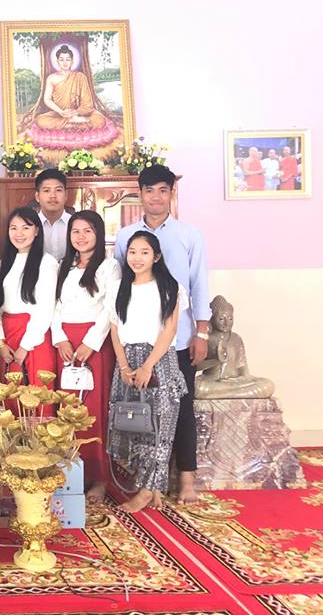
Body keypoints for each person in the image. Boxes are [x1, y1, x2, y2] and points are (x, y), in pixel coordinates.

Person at [115, 165, 210, 504]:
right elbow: (120, 286)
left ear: (172, 193)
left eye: (162, 190)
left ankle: (186, 479)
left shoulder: (189, 235)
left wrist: (202, 333)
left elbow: (199, 284)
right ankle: (147, 482)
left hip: (177, 339)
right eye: (149, 190)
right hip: (136, 343)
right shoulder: (126, 236)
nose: (155, 197)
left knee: (180, 409)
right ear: (139, 193)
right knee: (142, 412)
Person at [108, 231, 188, 513]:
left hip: (158, 360)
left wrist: (147, 366)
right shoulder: (118, 287)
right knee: (135, 424)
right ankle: (151, 486)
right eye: (132, 251)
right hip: (127, 361)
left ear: (156, 256)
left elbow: (169, 330)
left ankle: (145, 491)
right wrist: (124, 365)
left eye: (144, 252)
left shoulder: (169, 287)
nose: (137, 258)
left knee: (160, 427)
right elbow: (115, 329)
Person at [51, 210, 121, 503]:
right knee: (66, 410)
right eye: (75, 231)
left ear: (98, 234)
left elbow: (110, 308)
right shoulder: (62, 266)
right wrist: (60, 337)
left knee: (93, 410)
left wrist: (90, 343)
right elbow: (54, 304)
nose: (80, 237)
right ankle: (69, 474)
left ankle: (99, 478)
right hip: (65, 345)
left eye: (87, 231)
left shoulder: (109, 266)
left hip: (95, 344)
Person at [0, 206, 59, 391]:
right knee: (11, 395)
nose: (19, 234)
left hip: (35, 338)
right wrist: (0, 343)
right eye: (13, 228)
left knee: (37, 394)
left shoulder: (47, 263)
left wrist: (25, 346)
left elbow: (45, 309)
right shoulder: (0, 266)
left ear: (36, 231)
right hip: (8, 336)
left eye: (26, 227)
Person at [33, 45, 108, 132]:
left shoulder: (80, 76)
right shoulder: (51, 78)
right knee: (41, 120)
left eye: (68, 59)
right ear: (57, 61)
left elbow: (87, 104)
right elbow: (47, 99)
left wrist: (76, 113)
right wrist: (61, 112)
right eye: (61, 60)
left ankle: (69, 124)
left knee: (100, 120)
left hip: (79, 113)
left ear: (72, 61)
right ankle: (74, 123)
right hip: (59, 113)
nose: (65, 62)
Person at [33, 168, 71, 262]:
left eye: (58, 190)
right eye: (46, 191)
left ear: (66, 195)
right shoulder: (30, 225)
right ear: (37, 196)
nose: (53, 196)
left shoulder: (75, 224)